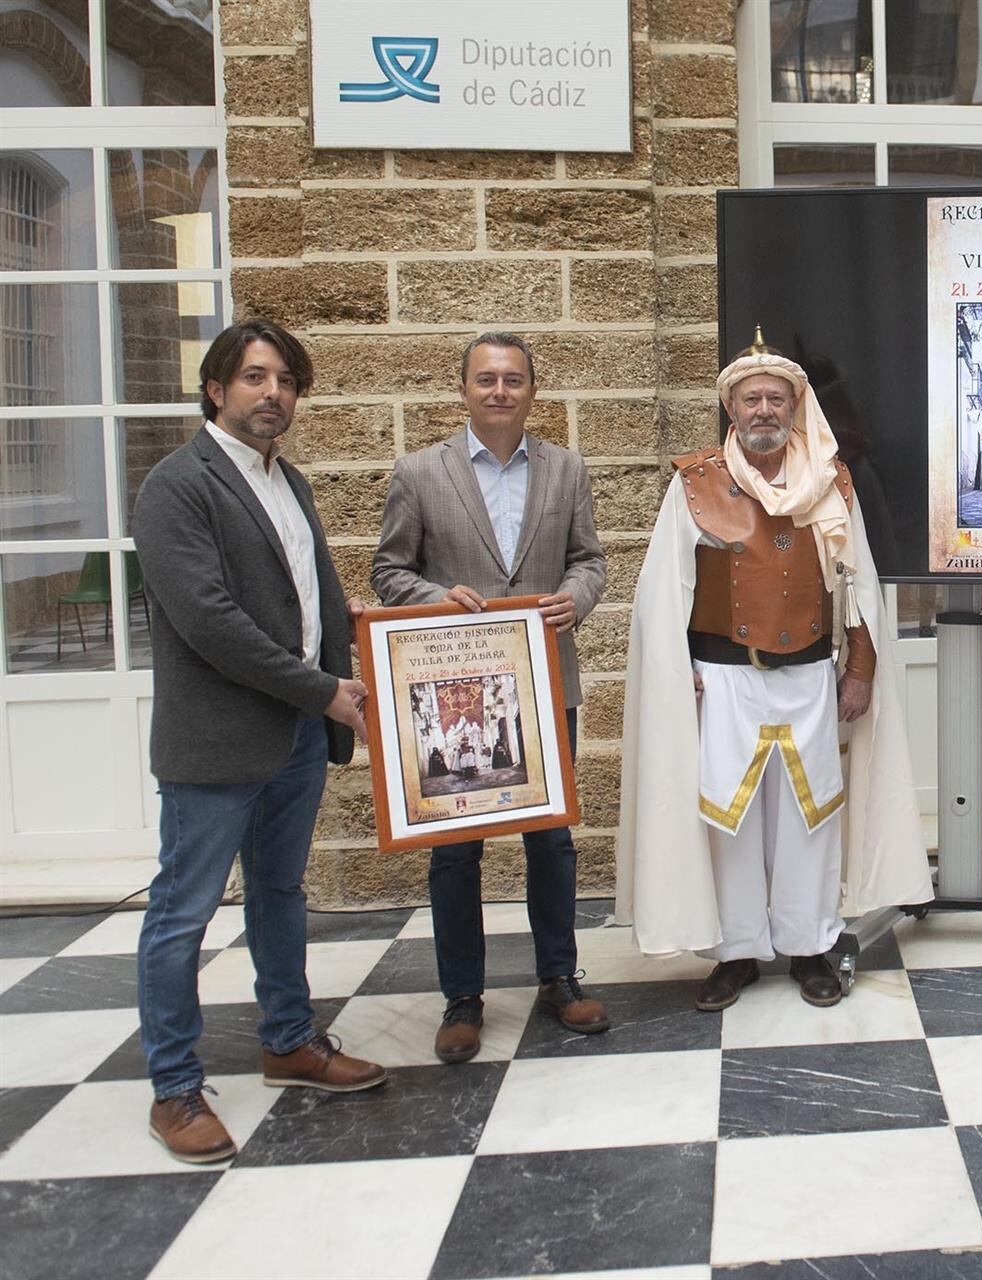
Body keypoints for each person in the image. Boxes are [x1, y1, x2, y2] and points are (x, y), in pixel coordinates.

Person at [132, 320, 388, 1163]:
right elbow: (211, 621)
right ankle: (174, 1089)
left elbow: (311, 595)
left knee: (280, 894)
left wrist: (357, 653)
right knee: (183, 913)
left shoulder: (292, 481)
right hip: (216, 743)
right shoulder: (178, 484)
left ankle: (289, 1040)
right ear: (215, 389)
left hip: (294, 739)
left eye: (284, 379)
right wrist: (326, 691)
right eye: (252, 377)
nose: (271, 392)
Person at [614, 332, 932, 1009]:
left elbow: (861, 585)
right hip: (724, 678)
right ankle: (736, 954)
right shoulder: (696, 483)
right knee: (729, 821)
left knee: (808, 816)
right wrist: (677, 672)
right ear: (731, 410)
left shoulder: (831, 479)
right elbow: (662, 591)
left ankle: (810, 945)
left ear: (795, 406)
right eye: (751, 398)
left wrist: (862, 669)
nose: (764, 409)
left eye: (776, 398)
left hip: (811, 675)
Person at [372, 332, 611, 1064]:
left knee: (552, 841)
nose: (500, 391)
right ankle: (463, 997)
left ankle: (559, 977)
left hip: (542, 682)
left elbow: (588, 559)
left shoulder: (565, 469)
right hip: (453, 690)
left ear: (533, 391)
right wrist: (438, 596)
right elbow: (388, 570)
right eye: (486, 380)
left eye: (513, 380)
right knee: (455, 851)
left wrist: (577, 597)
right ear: (464, 391)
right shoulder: (419, 473)